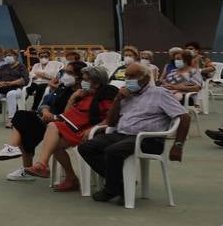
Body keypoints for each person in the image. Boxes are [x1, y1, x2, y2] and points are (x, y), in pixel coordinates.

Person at [79, 62, 190, 203]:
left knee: (112, 151)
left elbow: (184, 117)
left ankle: (112, 189)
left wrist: (178, 145)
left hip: (148, 139)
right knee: (86, 147)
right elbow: (111, 122)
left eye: (133, 76)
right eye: (126, 76)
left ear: (145, 78)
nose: (128, 80)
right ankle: (122, 185)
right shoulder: (126, 94)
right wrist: (118, 99)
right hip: (122, 134)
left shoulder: (159, 93)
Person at [21, 66, 118, 189]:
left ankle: (43, 165)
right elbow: (67, 115)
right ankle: (69, 176)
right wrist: (72, 99)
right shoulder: (83, 95)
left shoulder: (105, 96)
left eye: (86, 80)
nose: (83, 82)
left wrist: (94, 128)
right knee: (54, 144)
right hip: (72, 128)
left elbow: (110, 117)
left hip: (88, 131)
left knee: (52, 126)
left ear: (97, 83)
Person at [0, 59, 84, 179]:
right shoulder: (63, 87)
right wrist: (45, 110)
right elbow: (47, 100)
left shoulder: (81, 94)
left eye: (69, 72)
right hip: (48, 121)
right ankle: (13, 149)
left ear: (79, 77)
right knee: (22, 119)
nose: (64, 75)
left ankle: (18, 156)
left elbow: (75, 114)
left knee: (25, 124)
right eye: (64, 71)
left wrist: (54, 117)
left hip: (62, 126)